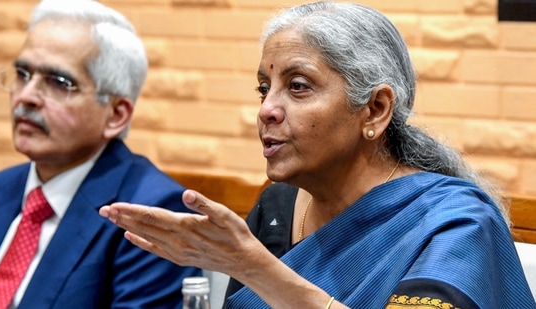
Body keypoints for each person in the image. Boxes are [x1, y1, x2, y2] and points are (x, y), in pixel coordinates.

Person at [99, 1, 536, 308]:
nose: (267, 109)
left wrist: (254, 268)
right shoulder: (277, 206)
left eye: (299, 86)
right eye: (264, 88)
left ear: (376, 109)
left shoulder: (452, 224)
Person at [0, 0, 202, 308]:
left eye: (58, 82)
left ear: (116, 114)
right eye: (23, 73)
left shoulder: (149, 215)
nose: (26, 96)